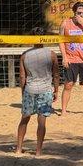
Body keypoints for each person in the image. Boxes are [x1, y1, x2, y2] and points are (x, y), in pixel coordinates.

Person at [15, 27, 60, 156]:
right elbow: (56, 74)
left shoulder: (24, 55)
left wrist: (23, 92)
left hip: (30, 89)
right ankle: (38, 151)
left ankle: (18, 149)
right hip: (45, 89)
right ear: (44, 37)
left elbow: (22, 77)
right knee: (42, 121)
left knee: (25, 118)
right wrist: (56, 90)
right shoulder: (51, 54)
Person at [59, 1, 83, 116]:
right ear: (74, 12)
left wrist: (82, 23)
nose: (81, 15)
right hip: (71, 59)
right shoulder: (66, 23)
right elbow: (61, 41)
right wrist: (64, 57)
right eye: (79, 13)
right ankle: (64, 110)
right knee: (68, 84)